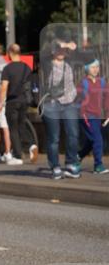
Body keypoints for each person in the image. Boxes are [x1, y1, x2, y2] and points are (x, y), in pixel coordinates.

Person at [40, 37, 82, 179]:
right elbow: (44, 52)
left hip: (70, 103)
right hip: (52, 104)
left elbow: (85, 54)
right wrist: (61, 43)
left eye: (63, 49)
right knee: (54, 138)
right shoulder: (47, 63)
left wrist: (72, 46)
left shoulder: (70, 62)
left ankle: (70, 163)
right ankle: (55, 166)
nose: (61, 51)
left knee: (73, 134)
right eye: (58, 49)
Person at [0, 44, 36, 166]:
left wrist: (1, 103)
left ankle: (18, 156)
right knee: (21, 126)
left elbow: (4, 87)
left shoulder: (8, 69)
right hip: (24, 101)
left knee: (13, 129)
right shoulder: (27, 68)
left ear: (9, 54)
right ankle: (31, 145)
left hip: (12, 101)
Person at [77, 58, 108, 174]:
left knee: (92, 140)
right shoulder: (83, 83)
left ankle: (78, 157)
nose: (96, 69)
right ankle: (98, 166)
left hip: (97, 116)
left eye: (97, 67)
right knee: (97, 139)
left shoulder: (102, 82)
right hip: (86, 116)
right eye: (92, 67)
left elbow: (107, 98)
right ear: (86, 69)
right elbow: (78, 101)